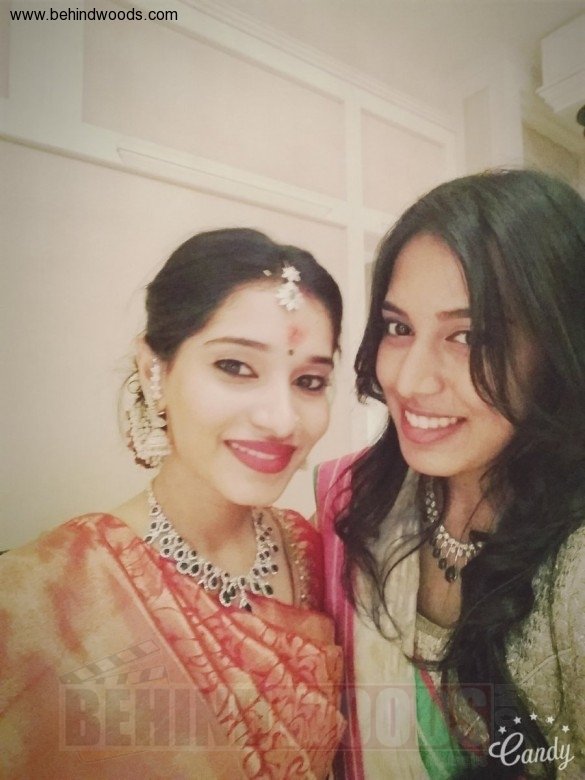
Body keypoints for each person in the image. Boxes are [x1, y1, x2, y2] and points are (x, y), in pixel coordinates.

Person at [0, 228, 346, 779]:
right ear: (153, 370)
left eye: (309, 380)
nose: (282, 419)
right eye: (235, 366)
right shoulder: (48, 593)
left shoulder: (316, 554)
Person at [315, 170, 585, 779]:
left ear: (558, 347)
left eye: (467, 336)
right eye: (398, 327)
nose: (410, 381)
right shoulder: (355, 499)